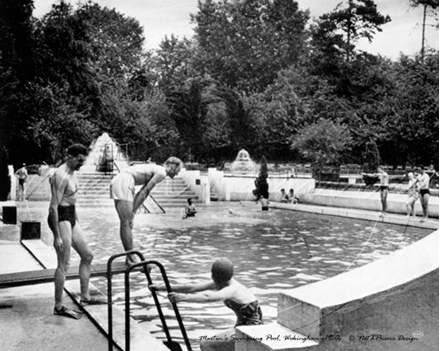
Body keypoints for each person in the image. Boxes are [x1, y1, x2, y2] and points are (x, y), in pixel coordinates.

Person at [150, 258, 263, 351]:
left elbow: (208, 297)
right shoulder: (223, 282)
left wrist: (183, 298)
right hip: (242, 328)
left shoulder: (232, 289)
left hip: (251, 331)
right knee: (215, 344)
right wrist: (161, 287)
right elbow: (192, 287)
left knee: (207, 345)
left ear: (213, 276)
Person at [48, 144, 106, 320]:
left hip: (71, 217)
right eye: (79, 160)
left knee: (87, 256)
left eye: (83, 160)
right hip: (62, 218)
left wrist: (77, 222)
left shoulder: (73, 173)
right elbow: (52, 209)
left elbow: (72, 201)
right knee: (64, 263)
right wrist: (56, 236)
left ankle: (85, 296)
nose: (81, 164)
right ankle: (58, 306)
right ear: (70, 157)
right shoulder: (61, 175)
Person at [110, 157, 183, 265]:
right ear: (173, 166)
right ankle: (131, 257)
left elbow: (143, 192)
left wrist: (133, 211)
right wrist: (133, 212)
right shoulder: (161, 172)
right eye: (178, 170)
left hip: (119, 180)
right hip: (124, 180)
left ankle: (129, 256)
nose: (177, 174)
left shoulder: (157, 169)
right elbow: (144, 192)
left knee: (126, 223)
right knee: (126, 223)